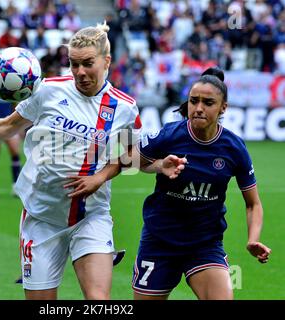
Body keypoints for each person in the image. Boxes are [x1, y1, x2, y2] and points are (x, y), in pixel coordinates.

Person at [0, 22, 185, 300]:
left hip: (90, 216)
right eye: (73, 64)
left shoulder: (125, 108)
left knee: (99, 300)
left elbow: (129, 158)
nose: (80, 72)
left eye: (87, 64)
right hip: (41, 217)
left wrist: (158, 165)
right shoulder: (48, 91)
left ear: (106, 61)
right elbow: (7, 127)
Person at [68, 67, 271, 300]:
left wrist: (253, 239)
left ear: (223, 107)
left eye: (208, 102)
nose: (199, 108)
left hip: (204, 245)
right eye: (194, 101)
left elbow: (253, 204)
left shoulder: (234, 148)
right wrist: (99, 177)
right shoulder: (171, 135)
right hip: (159, 242)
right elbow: (131, 160)